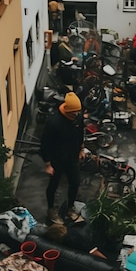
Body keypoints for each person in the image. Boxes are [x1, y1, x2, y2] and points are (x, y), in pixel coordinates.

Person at [39, 92, 85, 224]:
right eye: (74, 113)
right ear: (67, 110)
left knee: (75, 182)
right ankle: (51, 209)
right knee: (53, 186)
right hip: (56, 160)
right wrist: (48, 164)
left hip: (72, 158)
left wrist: (81, 149)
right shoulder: (54, 123)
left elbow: (80, 133)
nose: (76, 115)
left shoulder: (77, 118)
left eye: (78, 112)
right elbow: (45, 144)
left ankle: (70, 207)